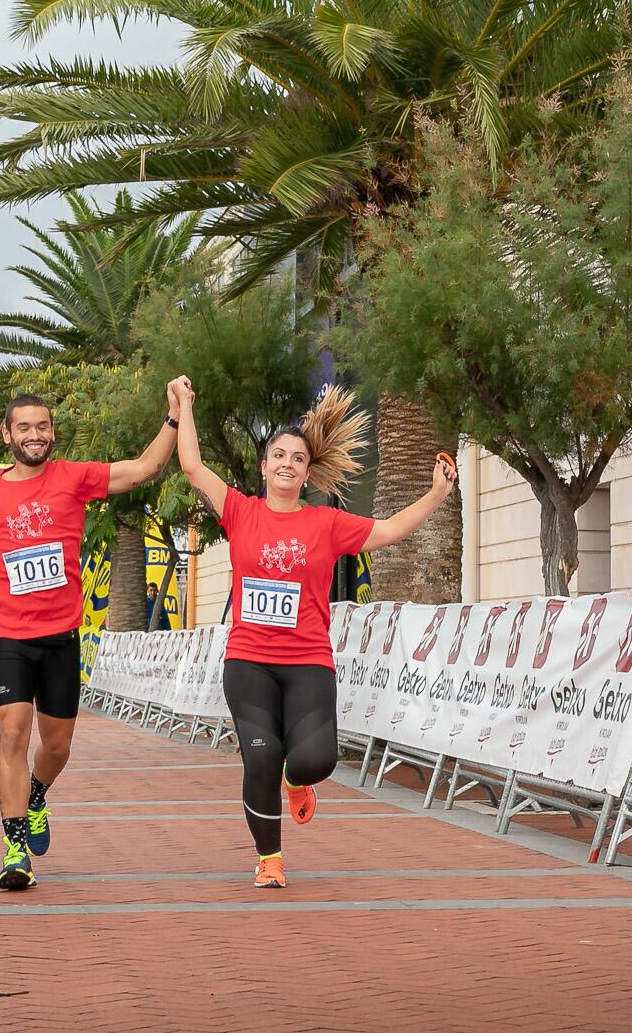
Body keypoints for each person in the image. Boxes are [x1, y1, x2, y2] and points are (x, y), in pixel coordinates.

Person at [171, 375, 455, 890]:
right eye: (278, 455)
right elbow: (191, 466)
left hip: (308, 662)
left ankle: (297, 783)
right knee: (260, 755)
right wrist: (184, 405)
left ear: (307, 473)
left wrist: (436, 495)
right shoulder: (240, 511)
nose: (286, 464)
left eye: (296, 459)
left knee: (313, 759)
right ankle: (269, 859)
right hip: (249, 660)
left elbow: (388, 531)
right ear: (264, 466)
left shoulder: (326, 523)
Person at [0, 391, 178, 889]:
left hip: (60, 638)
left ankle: (36, 796)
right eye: (24, 427)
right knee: (12, 734)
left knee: (57, 745)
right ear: (8, 435)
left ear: (52, 432)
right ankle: (14, 847)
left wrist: (175, 415)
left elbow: (144, 469)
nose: (35, 435)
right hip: (8, 635)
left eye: (43, 426)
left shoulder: (73, 478)